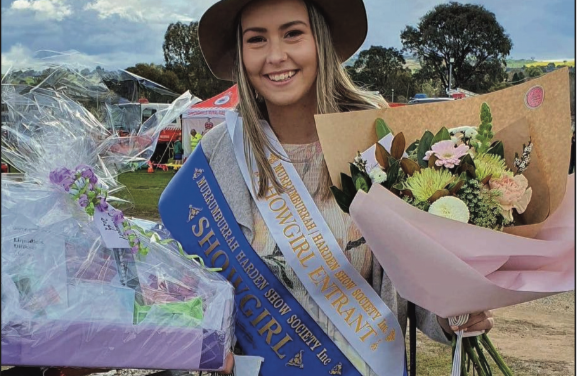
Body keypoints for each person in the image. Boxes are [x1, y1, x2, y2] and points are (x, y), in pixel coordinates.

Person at [195, 0, 494, 374]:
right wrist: (203, 349)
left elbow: (416, 280)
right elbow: (191, 282)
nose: (275, 55)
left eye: (292, 33)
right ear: (241, 53)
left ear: (320, 40)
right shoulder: (219, 151)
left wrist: (457, 313)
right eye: (256, 39)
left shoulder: (376, 141)